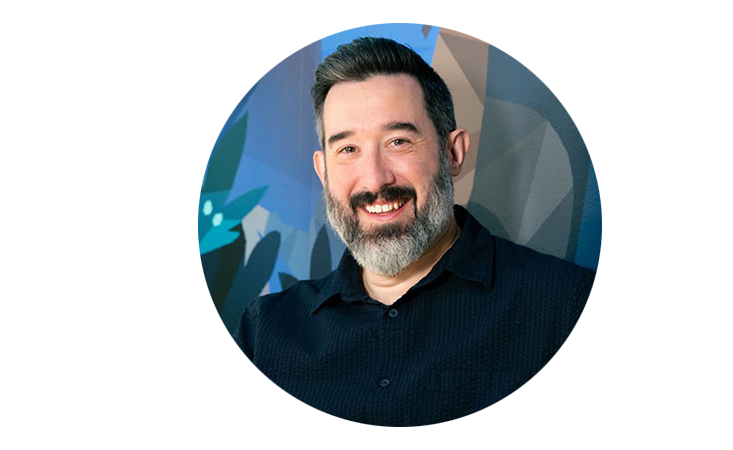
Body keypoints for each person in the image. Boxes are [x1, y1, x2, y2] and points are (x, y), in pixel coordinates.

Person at [233, 37, 594, 426]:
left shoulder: (567, 307)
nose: (374, 179)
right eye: (348, 149)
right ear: (323, 172)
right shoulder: (264, 333)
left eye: (398, 142)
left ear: (453, 153)